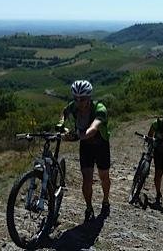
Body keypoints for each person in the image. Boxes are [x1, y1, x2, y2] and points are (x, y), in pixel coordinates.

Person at [58, 80, 111, 222]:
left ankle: (105, 200)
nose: (78, 102)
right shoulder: (74, 106)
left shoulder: (100, 109)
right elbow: (64, 111)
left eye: (82, 99)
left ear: (89, 98)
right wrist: (61, 124)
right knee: (87, 179)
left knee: (103, 176)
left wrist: (78, 136)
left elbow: (93, 129)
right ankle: (89, 206)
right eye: (75, 98)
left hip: (101, 144)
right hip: (86, 146)